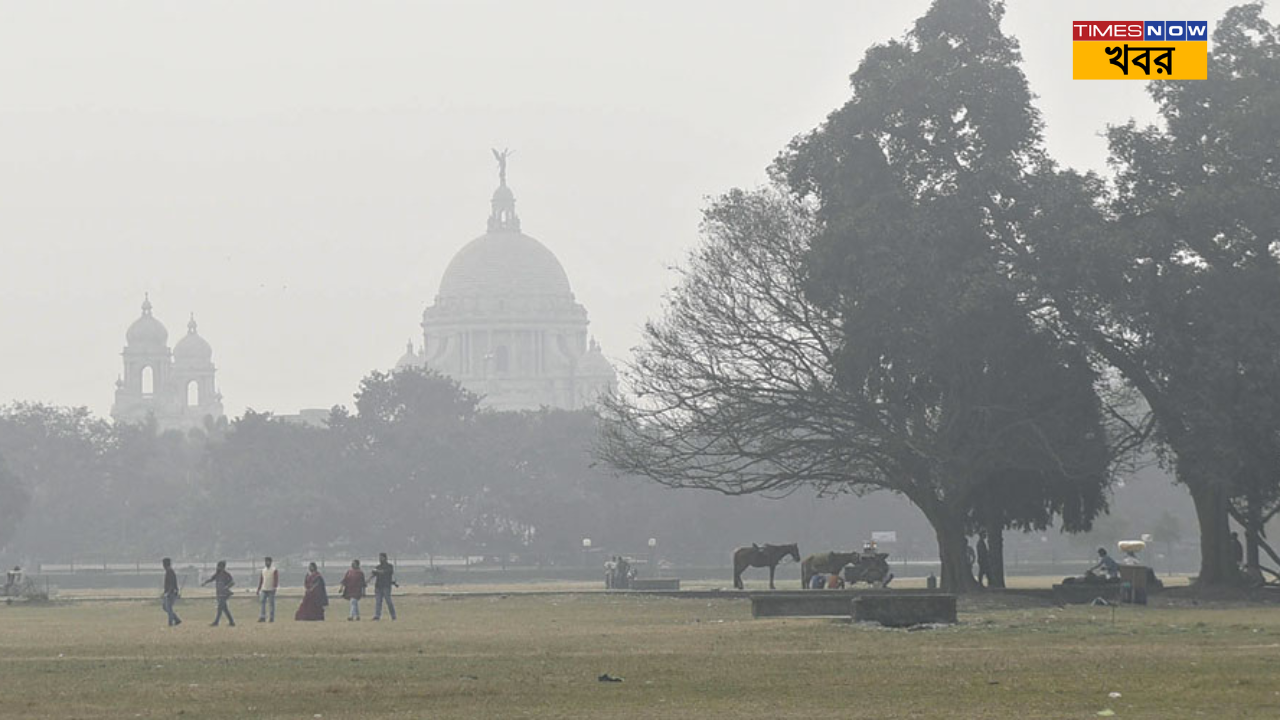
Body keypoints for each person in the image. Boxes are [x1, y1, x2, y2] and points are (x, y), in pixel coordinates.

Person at [201, 560, 235, 627]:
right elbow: (211, 579)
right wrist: (205, 583)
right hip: (219, 593)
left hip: (224, 594)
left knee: (220, 608)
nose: (218, 567)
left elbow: (232, 582)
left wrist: (226, 587)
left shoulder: (226, 574)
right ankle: (231, 622)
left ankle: (216, 622)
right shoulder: (217, 574)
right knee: (225, 609)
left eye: (220, 566)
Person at [370, 552, 397, 621]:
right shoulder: (378, 567)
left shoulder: (389, 566)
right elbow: (373, 575)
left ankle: (393, 615)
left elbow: (384, 572)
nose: (380, 559)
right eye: (379, 557)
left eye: (381, 557)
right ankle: (377, 615)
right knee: (378, 602)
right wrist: (367, 581)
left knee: (388, 601)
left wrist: (377, 571)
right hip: (378, 586)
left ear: (385, 558)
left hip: (386, 586)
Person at [256, 556, 280, 623]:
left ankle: (271, 618)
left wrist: (275, 587)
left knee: (271, 604)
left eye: (268, 561)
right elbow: (261, 580)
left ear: (271, 562)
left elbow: (276, 579)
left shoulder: (274, 570)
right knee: (262, 603)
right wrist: (258, 589)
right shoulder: (263, 570)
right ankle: (262, 617)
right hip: (264, 588)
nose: (267, 563)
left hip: (271, 589)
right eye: (266, 561)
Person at [161, 557, 182, 626]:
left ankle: (171, 623)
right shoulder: (169, 571)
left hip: (171, 592)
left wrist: (168, 592)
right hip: (169, 592)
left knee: (168, 608)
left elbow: (171, 583)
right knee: (165, 607)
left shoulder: (170, 571)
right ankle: (176, 619)